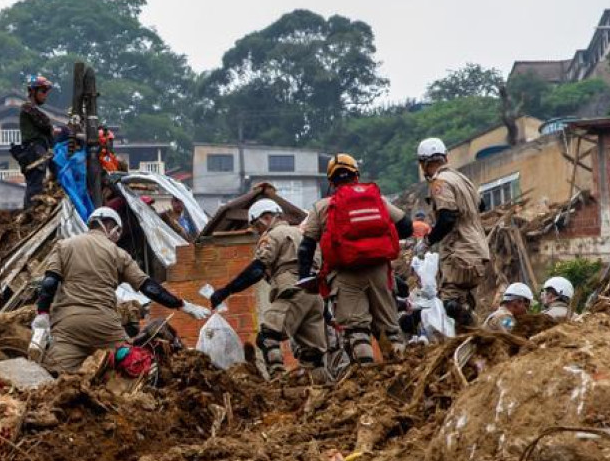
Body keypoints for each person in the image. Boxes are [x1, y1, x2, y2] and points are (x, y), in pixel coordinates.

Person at [32, 207, 210, 373]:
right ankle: (120, 357)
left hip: (66, 325)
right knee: (136, 362)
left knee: (55, 378)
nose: (117, 236)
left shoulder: (64, 246)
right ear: (108, 225)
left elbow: (49, 283)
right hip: (103, 324)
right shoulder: (118, 254)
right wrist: (182, 305)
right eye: (117, 231)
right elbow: (149, 287)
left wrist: (42, 316)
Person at [296, 154, 413, 365]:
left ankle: (367, 385)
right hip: (379, 272)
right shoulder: (377, 201)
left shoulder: (321, 207)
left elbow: (306, 246)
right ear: (356, 176)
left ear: (331, 182)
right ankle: (399, 373)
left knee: (358, 333)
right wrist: (377, 244)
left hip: (343, 274)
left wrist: (305, 275)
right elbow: (406, 226)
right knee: (391, 331)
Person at [208, 199, 326, 376]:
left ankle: (277, 381)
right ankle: (325, 392)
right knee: (313, 355)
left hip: (291, 291)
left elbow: (257, 269)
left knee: (267, 336)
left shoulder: (273, 235)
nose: (257, 231)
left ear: (267, 217)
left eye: (257, 225)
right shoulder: (304, 235)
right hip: (315, 298)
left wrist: (227, 290)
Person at [417, 138, 491, 327]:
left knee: (450, 304)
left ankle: (476, 329)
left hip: (459, 252)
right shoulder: (463, 179)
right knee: (466, 302)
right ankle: (476, 342)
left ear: (424, 163)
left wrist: (427, 241)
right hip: (479, 251)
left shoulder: (439, 182)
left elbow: (447, 218)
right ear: (445, 157)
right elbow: (482, 204)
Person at [17, 75, 56, 208]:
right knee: (35, 185)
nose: (45, 95)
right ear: (33, 92)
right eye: (43, 91)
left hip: (38, 150)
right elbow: (46, 124)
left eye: (46, 92)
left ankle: (33, 209)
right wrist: (52, 129)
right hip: (34, 151)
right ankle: (30, 213)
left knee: (40, 183)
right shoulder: (27, 108)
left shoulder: (32, 110)